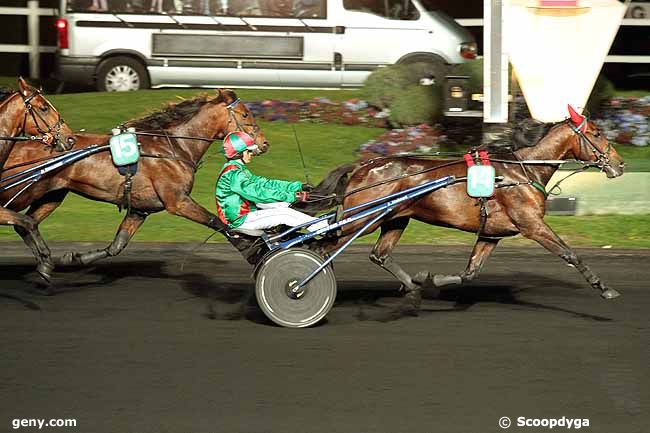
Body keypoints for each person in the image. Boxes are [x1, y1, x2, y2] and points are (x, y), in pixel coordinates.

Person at [215, 131, 328, 234]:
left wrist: (296, 186)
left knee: (284, 206)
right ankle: (324, 227)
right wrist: (293, 196)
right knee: (285, 214)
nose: (252, 154)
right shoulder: (233, 174)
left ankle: (320, 224)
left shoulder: (238, 169)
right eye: (249, 151)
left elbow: (265, 184)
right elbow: (258, 193)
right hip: (240, 220)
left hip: (246, 212)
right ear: (239, 153)